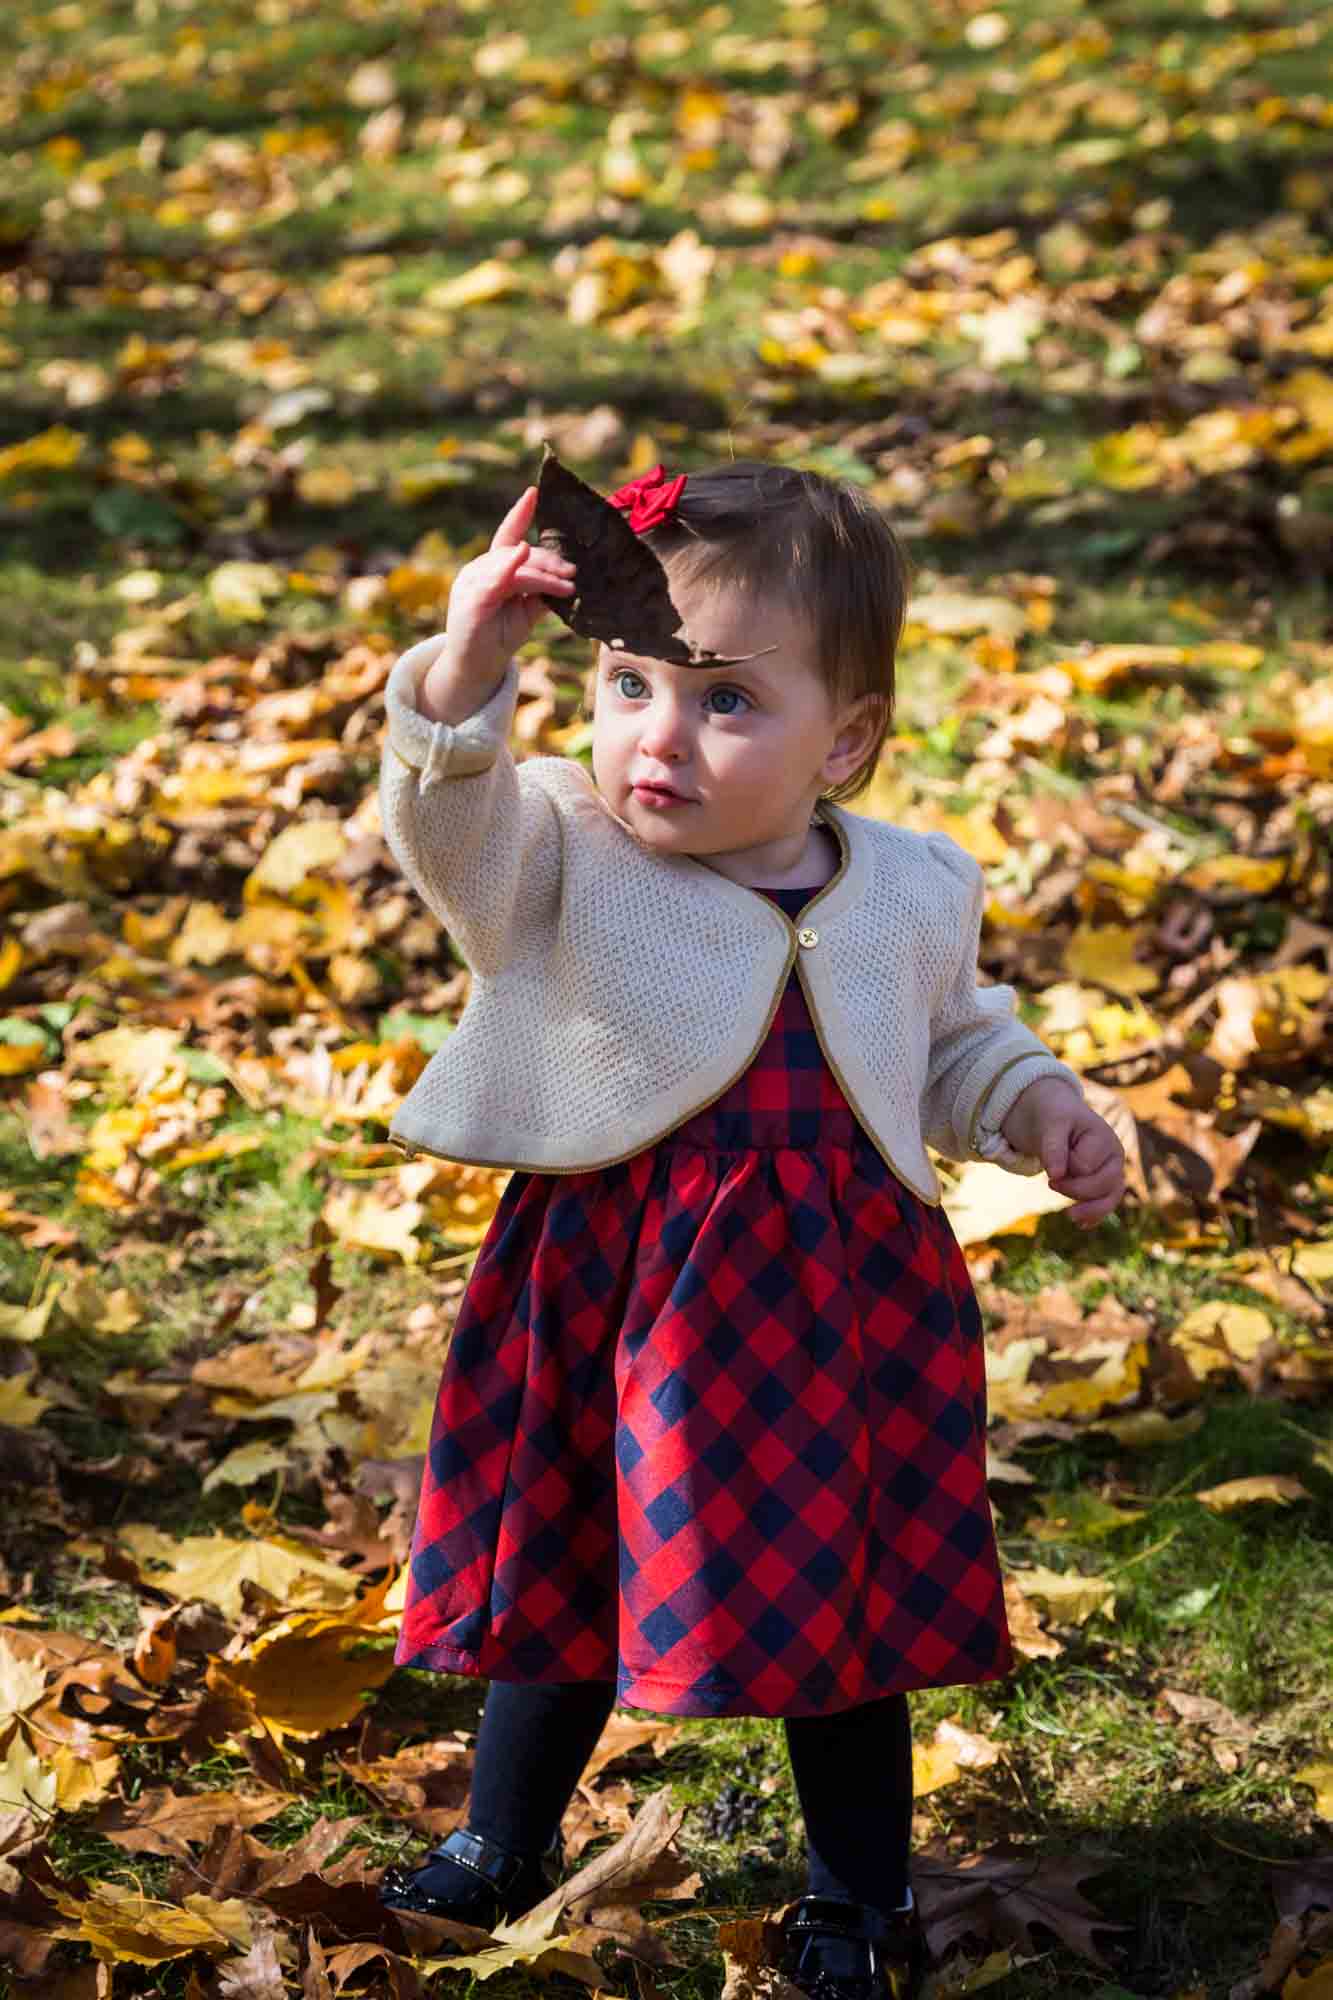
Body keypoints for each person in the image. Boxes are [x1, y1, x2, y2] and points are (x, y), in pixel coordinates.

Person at [373, 462, 1126, 2000]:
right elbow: (443, 821)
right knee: (573, 1554)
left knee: (836, 1593)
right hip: (613, 1287)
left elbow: (951, 1039)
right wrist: (465, 666)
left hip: (836, 1310)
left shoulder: (909, 886)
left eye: (725, 702)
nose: (657, 735)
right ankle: (500, 1839)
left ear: (843, 739)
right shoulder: (557, 854)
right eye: (629, 681)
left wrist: (1035, 1105)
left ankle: (856, 1893)